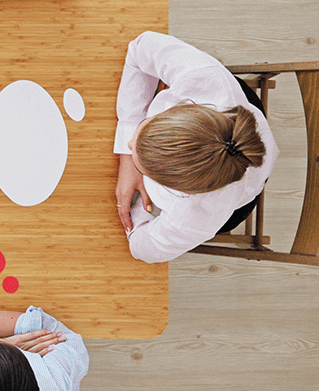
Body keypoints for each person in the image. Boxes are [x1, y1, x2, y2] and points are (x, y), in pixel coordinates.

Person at [114, 31, 279, 263]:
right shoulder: (203, 78)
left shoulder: (195, 216)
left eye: (145, 168)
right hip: (242, 113)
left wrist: (142, 207)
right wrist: (127, 159)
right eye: (146, 124)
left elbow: (143, 248)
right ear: (184, 105)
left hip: (233, 203)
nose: (130, 143)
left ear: (186, 193)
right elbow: (140, 48)